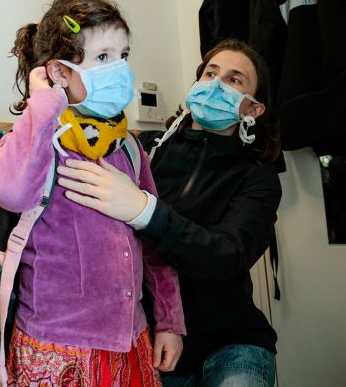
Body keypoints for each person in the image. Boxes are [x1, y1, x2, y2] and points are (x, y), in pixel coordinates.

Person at [0, 0, 186, 387]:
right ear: (60, 72)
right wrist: (43, 102)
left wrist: (169, 321)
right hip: (57, 347)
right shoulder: (39, 138)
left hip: (131, 341)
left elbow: (155, 243)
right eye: (103, 57)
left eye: (123, 55)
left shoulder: (128, 147)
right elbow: (9, 191)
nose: (120, 69)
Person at [56, 38, 282, 386]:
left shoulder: (257, 178)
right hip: (154, 342)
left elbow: (227, 255)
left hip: (231, 342)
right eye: (210, 73)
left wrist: (145, 211)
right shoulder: (144, 150)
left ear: (253, 109)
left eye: (234, 80)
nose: (216, 84)